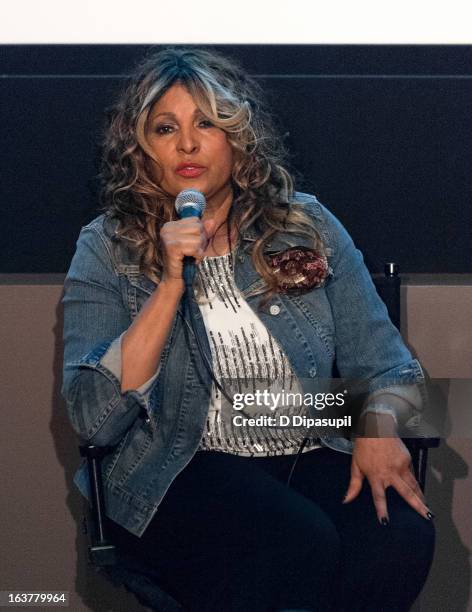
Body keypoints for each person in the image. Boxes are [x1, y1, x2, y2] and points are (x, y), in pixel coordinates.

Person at [61, 47, 435, 612]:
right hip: (179, 467)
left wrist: (379, 427)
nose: (187, 144)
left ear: (238, 138)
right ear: (143, 152)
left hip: (308, 446)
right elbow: (94, 416)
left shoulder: (305, 224)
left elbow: (390, 367)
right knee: (293, 541)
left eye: (206, 123)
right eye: (166, 128)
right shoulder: (106, 245)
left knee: (398, 538)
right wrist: (167, 286)